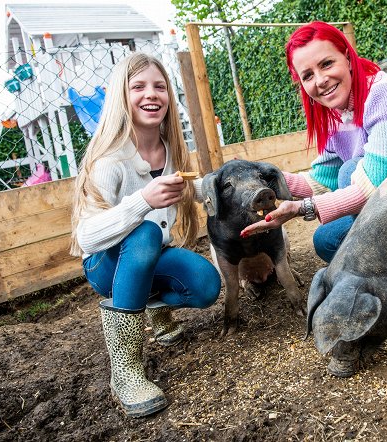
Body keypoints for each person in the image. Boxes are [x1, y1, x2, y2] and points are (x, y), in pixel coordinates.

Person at [70, 53, 221, 418]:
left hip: (151, 259)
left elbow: (191, 189)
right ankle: (126, 371)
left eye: (159, 86)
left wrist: (228, 188)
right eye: (138, 86)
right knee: (147, 233)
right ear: (122, 96)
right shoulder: (109, 160)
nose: (150, 94)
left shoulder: (171, 152)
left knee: (205, 285)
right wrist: (141, 202)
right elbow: (86, 237)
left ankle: (153, 310)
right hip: (105, 267)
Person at [241, 21, 387, 262]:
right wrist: (262, 177)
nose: (320, 80)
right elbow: (321, 180)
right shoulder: (337, 113)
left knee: (351, 171)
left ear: (347, 57)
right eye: (308, 76)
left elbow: (371, 187)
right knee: (326, 241)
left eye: (326, 64)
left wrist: (300, 208)